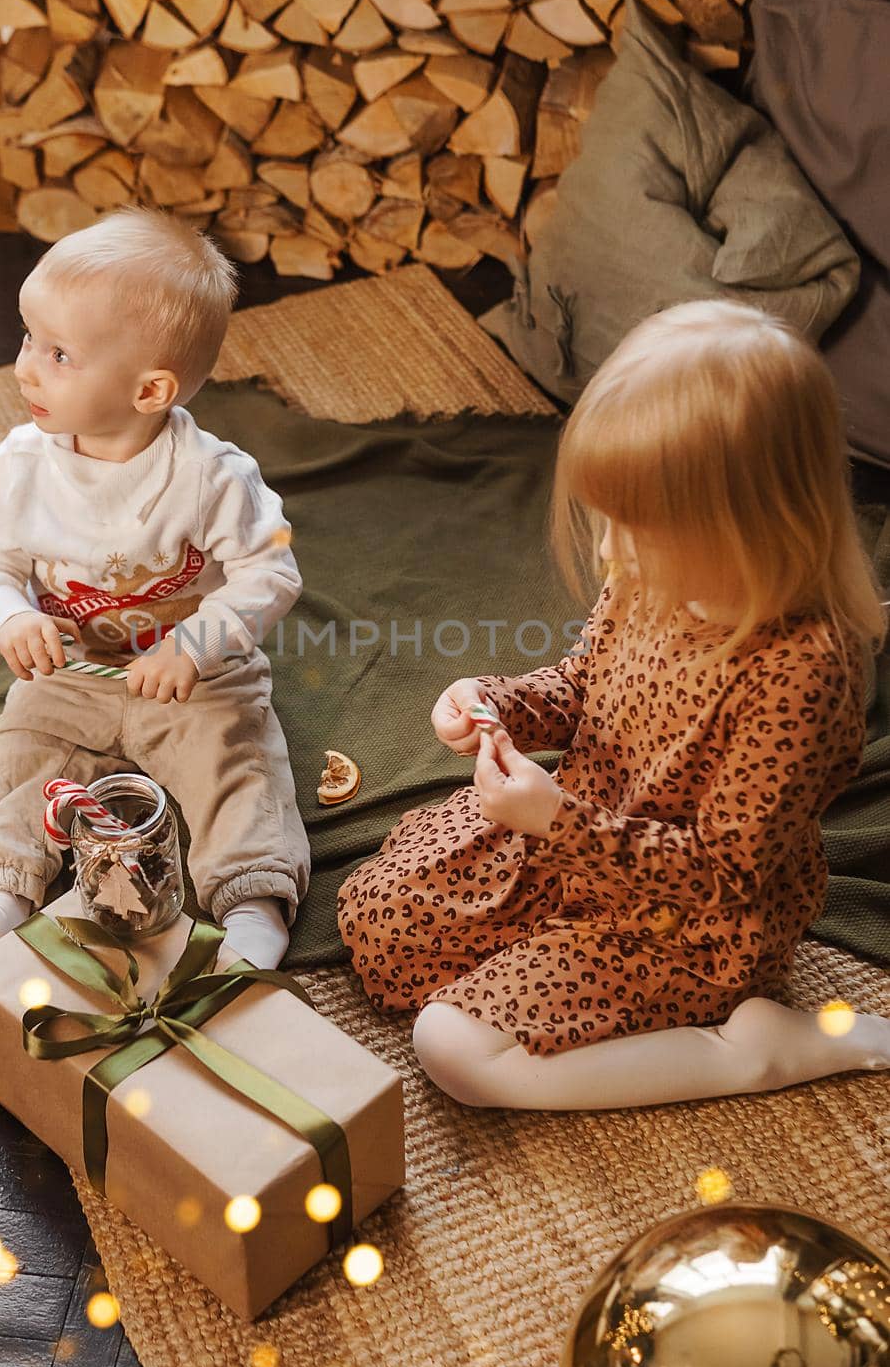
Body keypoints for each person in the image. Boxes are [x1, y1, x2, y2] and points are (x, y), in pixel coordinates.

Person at [338, 299, 890, 1109]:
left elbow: (725, 873)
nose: (607, 553)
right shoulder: (644, 578)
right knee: (379, 921)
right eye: (608, 523)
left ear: (744, 527)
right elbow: (579, 688)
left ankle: (752, 1050)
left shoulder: (801, 675)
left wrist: (554, 821)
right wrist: (494, 703)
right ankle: (523, 956)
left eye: (638, 531)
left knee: (454, 1049)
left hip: (681, 923)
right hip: (577, 837)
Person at [0, 207, 309, 973]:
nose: (24, 368)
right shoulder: (21, 465)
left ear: (151, 389)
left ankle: (251, 905)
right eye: (27, 338)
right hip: (72, 673)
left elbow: (270, 571)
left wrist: (195, 643)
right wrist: (10, 613)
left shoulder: (215, 478)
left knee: (237, 759)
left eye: (59, 354)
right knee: (15, 757)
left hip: (195, 679)